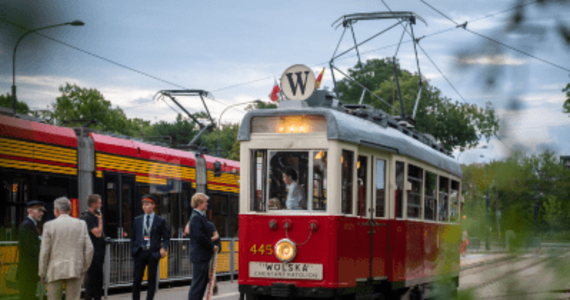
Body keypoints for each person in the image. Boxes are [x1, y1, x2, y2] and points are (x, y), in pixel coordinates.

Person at [39, 197, 94, 300]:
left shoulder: (48, 226)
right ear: (69, 209)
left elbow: (44, 252)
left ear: (56, 210)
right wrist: (83, 267)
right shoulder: (81, 224)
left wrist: (42, 272)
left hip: (54, 270)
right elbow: (90, 248)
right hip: (75, 268)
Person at [131, 195, 170, 300]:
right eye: (143, 204)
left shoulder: (160, 221)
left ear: (153, 205)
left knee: (151, 279)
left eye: (147, 204)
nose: (144, 207)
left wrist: (163, 248)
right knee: (137, 280)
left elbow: (166, 238)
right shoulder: (137, 220)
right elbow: (133, 237)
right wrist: (133, 250)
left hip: (152, 253)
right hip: (139, 252)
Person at [188, 193, 219, 300]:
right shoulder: (196, 218)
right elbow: (200, 237)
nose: (207, 204)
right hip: (199, 256)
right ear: (200, 203)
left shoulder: (199, 216)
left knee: (201, 283)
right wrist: (212, 246)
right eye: (205, 202)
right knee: (197, 285)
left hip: (202, 256)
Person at [184, 218, 221, 296]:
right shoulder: (196, 226)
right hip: (203, 250)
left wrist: (207, 241)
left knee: (211, 269)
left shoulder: (209, 225)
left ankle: (213, 285)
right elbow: (186, 231)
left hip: (211, 249)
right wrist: (190, 220)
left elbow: (216, 236)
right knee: (206, 270)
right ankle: (210, 286)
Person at [17, 200, 45, 300]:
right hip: (27, 272)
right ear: (30, 211)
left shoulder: (31, 224)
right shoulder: (27, 225)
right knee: (28, 296)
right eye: (39, 210)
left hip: (29, 272)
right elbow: (31, 249)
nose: (41, 213)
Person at [80, 194, 106, 300]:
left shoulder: (93, 216)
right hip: (93, 255)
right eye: (99, 203)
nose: (101, 205)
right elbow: (98, 233)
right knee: (92, 282)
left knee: (97, 282)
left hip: (98, 254)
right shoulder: (87, 217)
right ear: (94, 204)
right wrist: (100, 220)